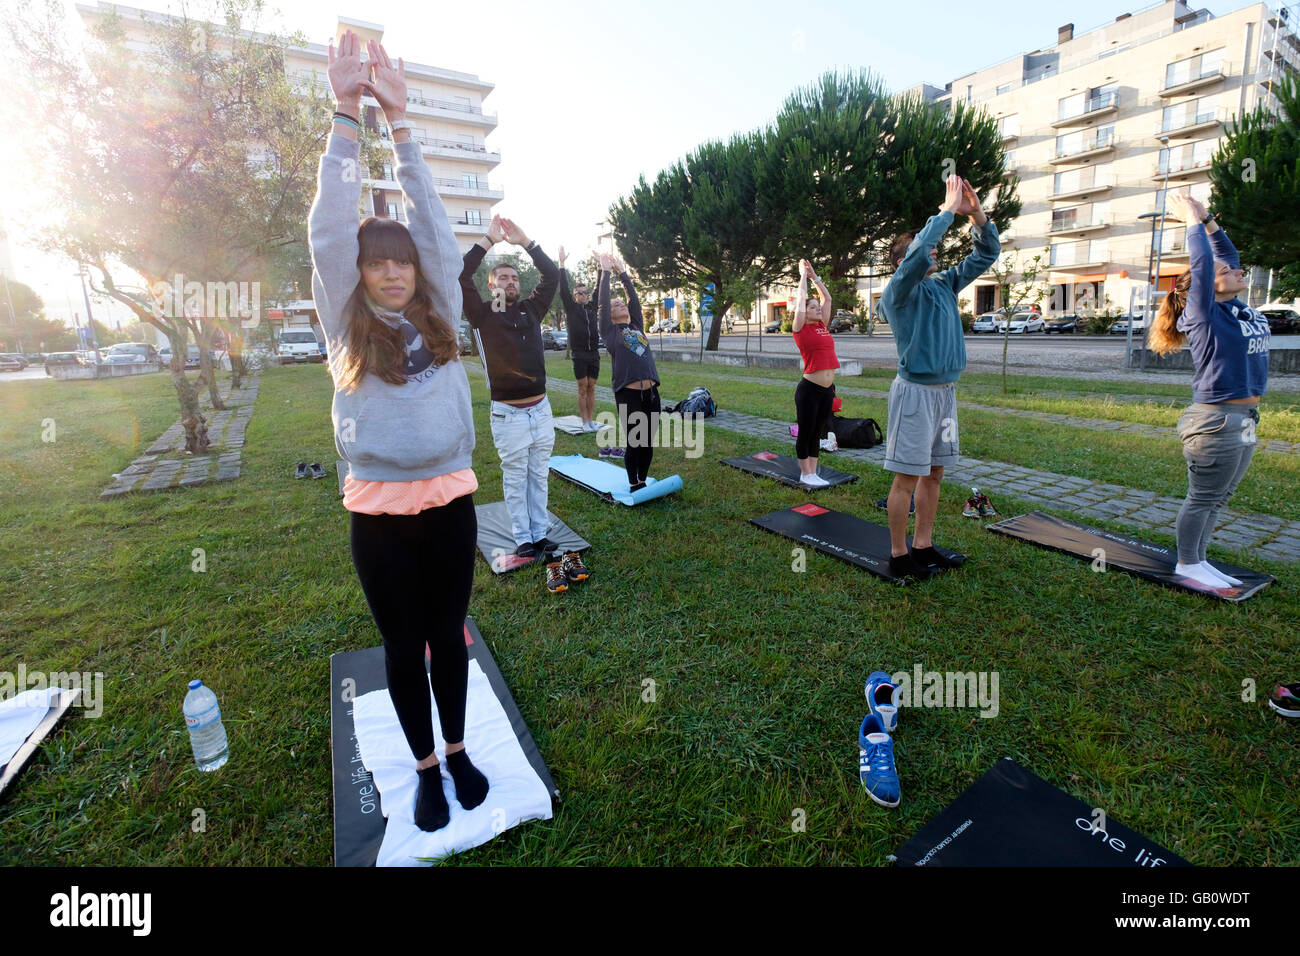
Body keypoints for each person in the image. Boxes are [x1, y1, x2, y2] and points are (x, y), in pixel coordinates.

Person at [312, 32, 486, 832]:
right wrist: (348, 113)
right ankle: (423, 769)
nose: (390, 272)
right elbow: (328, 232)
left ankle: (456, 749)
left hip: (449, 501)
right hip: (379, 512)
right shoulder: (347, 323)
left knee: (447, 637)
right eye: (377, 262)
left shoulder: (441, 312)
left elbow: (440, 235)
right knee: (402, 644)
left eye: (400, 262)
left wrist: (406, 126)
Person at [879, 175, 1000, 581]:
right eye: (927, 249)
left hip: (945, 394)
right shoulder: (898, 292)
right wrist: (946, 211)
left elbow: (987, 254)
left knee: (934, 473)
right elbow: (915, 260)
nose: (934, 253)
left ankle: (924, 545)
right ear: (903, 263)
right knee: (907, 476)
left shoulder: (945, 284)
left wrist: (977, 215)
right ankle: (899, 554)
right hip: (914, 394)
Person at [1149, 192, 1268, 590]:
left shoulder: (1236, 309)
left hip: (1247, 418)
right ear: (1206, 284)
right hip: (1216, 421)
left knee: (1220, 496)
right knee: (1202, 497)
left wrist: (1208, 219)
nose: (1237, 270)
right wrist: (1190, 224)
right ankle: (1187, 562)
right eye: (1226, 270)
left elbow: (1222, 255)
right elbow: (1202, 263)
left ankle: (1198, 559)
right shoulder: (1204, 312)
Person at [459, 214, 562, 573]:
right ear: (491, 286)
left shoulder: (532, 309)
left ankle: (540, 531)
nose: (511, 281)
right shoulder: (482, 315)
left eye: (515, 277)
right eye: (503, 277)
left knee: (539, 475)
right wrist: (488, 241)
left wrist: (526, 243)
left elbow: (552, 275)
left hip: (541, 409)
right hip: (509, 413)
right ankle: (522, 536)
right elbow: (460, 275)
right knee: (516, 477)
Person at [597, 253, 660, 492]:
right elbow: (602, 303)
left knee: (647, 442)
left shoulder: (637, 326)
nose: (620, 304)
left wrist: (623, 272)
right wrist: (605, 272)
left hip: (652, 393)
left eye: (620, 303)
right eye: (615, 305)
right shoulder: (610, 332)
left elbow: (632, 298)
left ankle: (643, 479)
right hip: (629, 394)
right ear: (610, 314)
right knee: (635, 442)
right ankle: (634, 483)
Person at [791, 258, 839, 487]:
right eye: (813, 307)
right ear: (804, 312)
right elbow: (801, 299)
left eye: (816, 307)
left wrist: (815, 277)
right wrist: (802, 276)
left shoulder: (822, 325)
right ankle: (805, 473)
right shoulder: (800, 328)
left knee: (818, 432)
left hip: (827, 390)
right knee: (806, 431)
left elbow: (827, 298)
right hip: (809, 389)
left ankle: (813, 472)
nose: (817, 309)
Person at [557, 246, 601, 431]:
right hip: (579, 353)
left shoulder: (591, 307)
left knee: (592, 386)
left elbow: (600, 287)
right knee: (582, 386)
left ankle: (591, 419)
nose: (584, 295)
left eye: (585, 292)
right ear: (575, 296)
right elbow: (563, 289)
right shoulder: (571, 307)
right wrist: (561, 264)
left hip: (594, 353)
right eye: (580, 293)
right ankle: (584, 422)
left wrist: (600, 266)